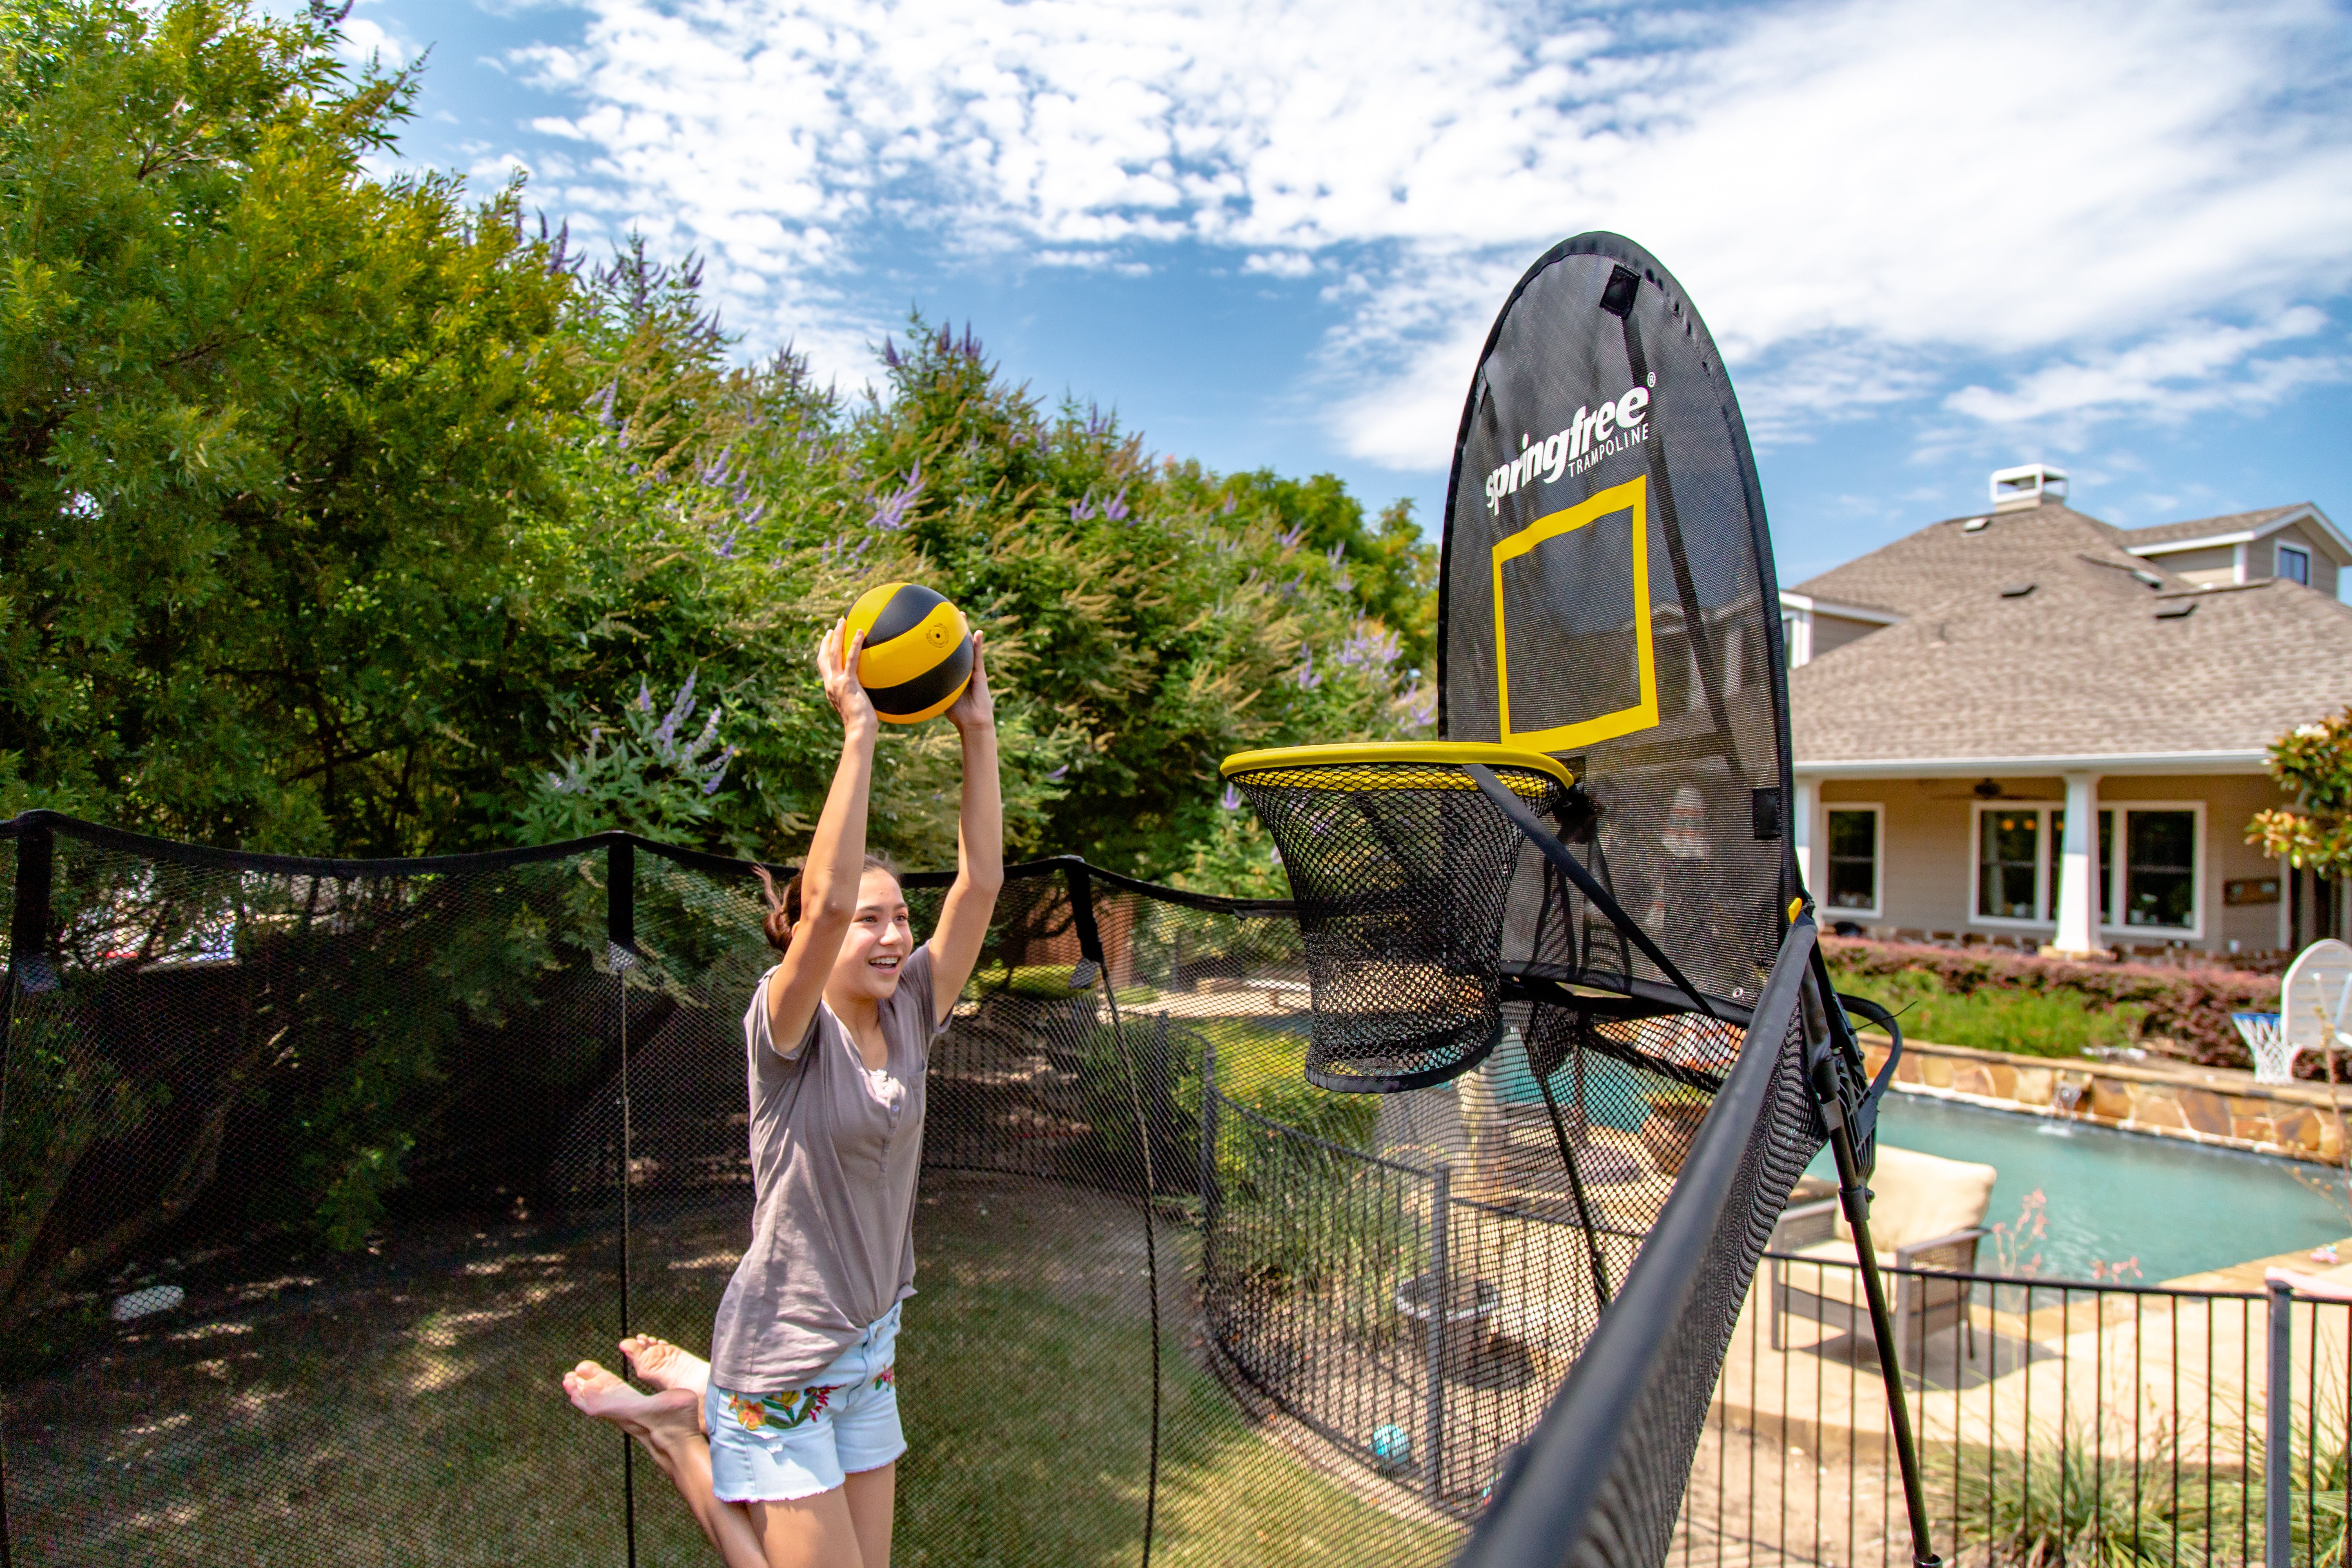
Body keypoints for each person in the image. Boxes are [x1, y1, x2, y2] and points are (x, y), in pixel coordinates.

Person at [564, 615, 1002, 1568]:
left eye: (901, 920)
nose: (891, 937)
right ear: (808, 934)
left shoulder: (916, 1007)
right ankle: (686, 1435)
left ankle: (695, 1401)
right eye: (868, 923)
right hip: (786, 1355)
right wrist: (859, 730)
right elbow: (830, 898)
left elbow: (979, 886)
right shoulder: (786, 1029)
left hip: (868, 1348)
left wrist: (978, 729)